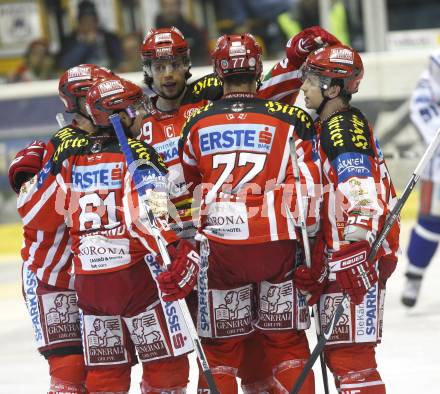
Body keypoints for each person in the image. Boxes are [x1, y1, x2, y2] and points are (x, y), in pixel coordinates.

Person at [139, 24, 337, 394]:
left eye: (175, 64)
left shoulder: (197, 118)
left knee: (219, 350)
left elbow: (176, 184)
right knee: (287, 343)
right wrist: (316, 243)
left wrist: (180, 238)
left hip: (212, 249)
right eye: (159, 65)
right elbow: (310, 186)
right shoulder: (287, 118)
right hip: (273, 242)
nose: (168, 74)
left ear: (198, 67)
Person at [15, 75, 200, 393]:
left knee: (105, 373)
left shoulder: (71, 159)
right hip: (133, 280)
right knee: (165, 365)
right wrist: (176, 252)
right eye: (137, 108)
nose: (144, 114)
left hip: (89, 284)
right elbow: (148, 216)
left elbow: (35, 212)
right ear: (120, 117)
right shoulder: (140, 153)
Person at [296, 44, 400, 393]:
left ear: (334, 89)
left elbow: (359, 184)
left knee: (351, 357)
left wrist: (357, 242)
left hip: (356, 253)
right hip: (345, 252)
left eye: (311, 79)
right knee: (342, 355)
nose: (304, 87)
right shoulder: (331, 123)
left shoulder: (341, 125)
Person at [7, 63, 115, 394]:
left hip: (99, 273)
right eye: (92, 94)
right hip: (50, 275)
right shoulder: (55, 148)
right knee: (69, 373)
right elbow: (35, 212)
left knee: (106, 371)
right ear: (75, 103)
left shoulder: (120, 141)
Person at [401, 49, 440, 307]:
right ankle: (414, 274)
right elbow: (424, 117)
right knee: (430, 223)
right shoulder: (427, 82)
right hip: (438, 167)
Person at [58, 0, 123, 70]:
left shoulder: (109, 37)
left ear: (97, 22)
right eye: (85, 21)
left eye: (92, 21)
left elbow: (120, 59)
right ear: (79, 23)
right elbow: (64, 64)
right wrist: (85, 44)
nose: (89, 25)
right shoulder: (69, 41)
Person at [155, 0, 209, 66]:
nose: (170, 9)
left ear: (179, 6)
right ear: (161, 7)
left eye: (173, 5)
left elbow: (200, 56)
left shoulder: (192, 31)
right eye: (166, 5)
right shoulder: (154, 35)